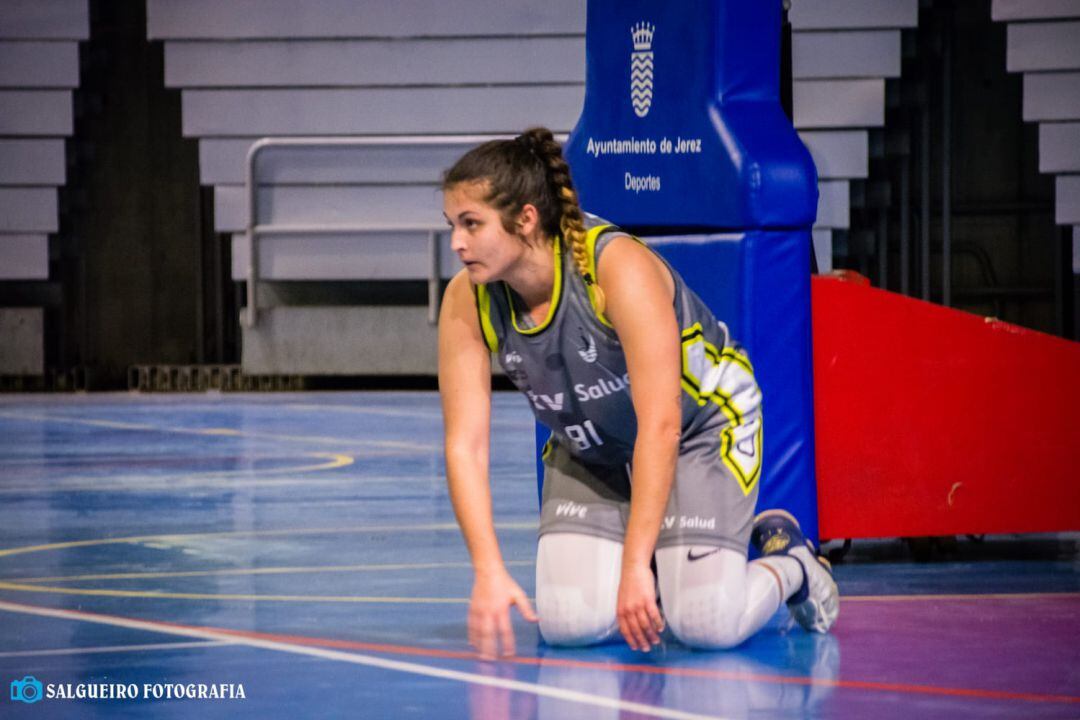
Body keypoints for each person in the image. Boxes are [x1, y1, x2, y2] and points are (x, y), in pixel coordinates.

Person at [438, 127, 838, 658]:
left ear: (526, 219)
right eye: (452, 225)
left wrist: (633, 567)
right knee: (569, 623)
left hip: (698, 427)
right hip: (593, 443)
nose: (456, 243)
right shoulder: (467, 298)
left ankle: (793, 564)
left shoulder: (615, 269)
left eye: (471, 224)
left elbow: (662, 426)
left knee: (705, 624)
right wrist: (488, 569)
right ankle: (669, 566)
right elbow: (465, 446)